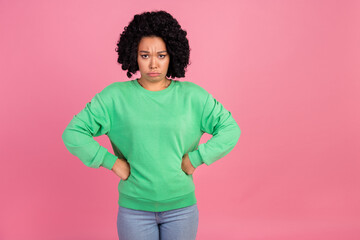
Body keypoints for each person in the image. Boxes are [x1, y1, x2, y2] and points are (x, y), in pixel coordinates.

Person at [61, 10, 241, 240]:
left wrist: (196, 158)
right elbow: (73, 133)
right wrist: (112, 162)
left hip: (182, 210)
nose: (153, 64)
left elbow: (230, 129)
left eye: (161, 55)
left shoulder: (193, 97)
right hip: (134, 211)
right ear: (134, 56)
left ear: (172, 56)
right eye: (145, 55)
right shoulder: (115, 97)